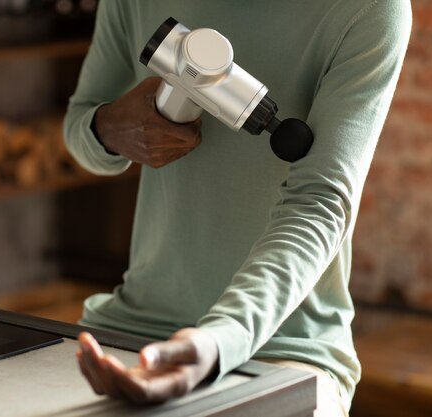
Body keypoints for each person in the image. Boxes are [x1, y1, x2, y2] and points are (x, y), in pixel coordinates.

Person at [63, 1, 411, 415]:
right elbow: (79, 124)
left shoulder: (369, 10)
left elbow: (319, 202)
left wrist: (219, 341)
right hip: (131, 327)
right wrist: (110, 129)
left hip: (287, 346)